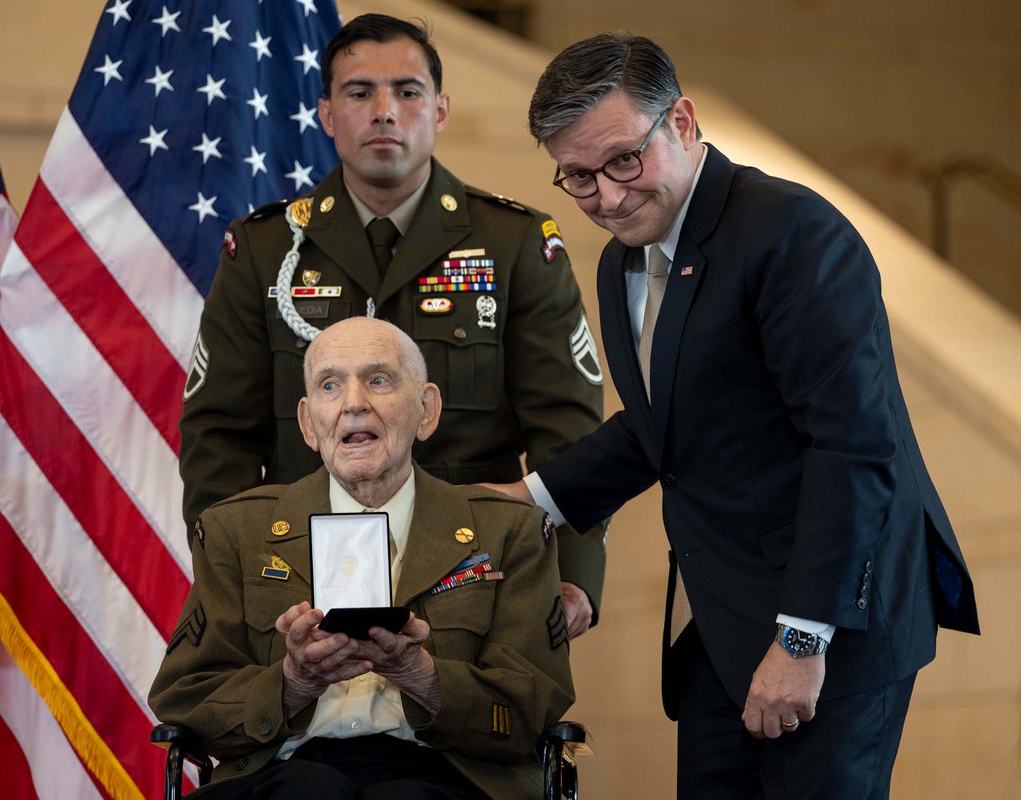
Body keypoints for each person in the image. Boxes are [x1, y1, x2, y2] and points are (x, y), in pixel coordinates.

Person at [487, 32, 980, 798]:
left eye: (624, 161)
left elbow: (853, 448)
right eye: (579, 177)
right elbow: (664, 425)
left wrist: (802, 639)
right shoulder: (624, 257)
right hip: (716, 627)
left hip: (827, 626)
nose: (608, 198)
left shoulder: (792, 233)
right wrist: (533, 500)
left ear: (681, 122)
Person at [178, 14, 608, 638]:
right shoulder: (264, 248)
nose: (384, 111)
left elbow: (566, 429)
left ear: (440, 110)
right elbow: (219, 438)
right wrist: (227, 578)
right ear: (327, 115)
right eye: (360, 93)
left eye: (407, 91)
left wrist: (571, 571)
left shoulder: (513, 243)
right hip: (298, 586)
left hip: (473, 576)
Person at [150, 317, 574, 800]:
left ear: (426, 410)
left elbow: (533, 707)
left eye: (378, 380)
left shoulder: (510, 531)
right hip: (282, 771)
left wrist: (422, 675)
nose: (353, 403)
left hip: (450, 774)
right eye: (330, 385)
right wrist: (291, 683)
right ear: (308, 423)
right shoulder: (237, 531)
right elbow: (187, 700)